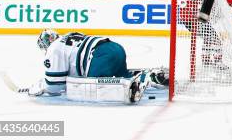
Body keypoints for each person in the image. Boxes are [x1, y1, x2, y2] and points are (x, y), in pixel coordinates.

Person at [29, 29, 168, 103]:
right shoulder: (68, 36)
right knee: (123, 73)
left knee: (92, 85)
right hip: (115, 48)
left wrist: (42, 86)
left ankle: (129, 86)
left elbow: (55, 86)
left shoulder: (53, 48)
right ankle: (149, 75)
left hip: (101, 56)